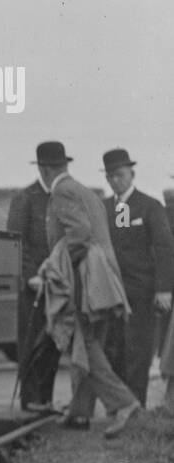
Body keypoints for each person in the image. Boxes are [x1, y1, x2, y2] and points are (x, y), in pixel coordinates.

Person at [31, 144, 140, 438]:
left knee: (86, 346)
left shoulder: (62, 192)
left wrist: (55, 268)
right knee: (89, 343)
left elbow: (78, 236)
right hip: (103, 280)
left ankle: (124, 403)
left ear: (44, 169)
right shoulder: (86, 191)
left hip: (85, 282)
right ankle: (79, 412)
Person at [99, 149, 174, 406]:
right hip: (110, 294)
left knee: (138, 352)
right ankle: (121, 408)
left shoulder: (150, 206)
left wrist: (164, 289)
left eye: (119, 175)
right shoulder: (103, 208)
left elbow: (165, 250)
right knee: (114, 350)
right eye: (110, 177)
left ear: (132, 174)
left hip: (141, 293)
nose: (115, 181)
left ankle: (137, 407)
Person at [8, 147, 62, 412]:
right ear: (44, 170)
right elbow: (16, 242)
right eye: (56, 169)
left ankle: (46, 398)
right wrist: (29, 276)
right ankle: (30, 398)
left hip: (57, 286)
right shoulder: (25, 198)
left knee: (53, 341)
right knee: (32, 340)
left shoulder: (63, 197)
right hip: (34, 287)